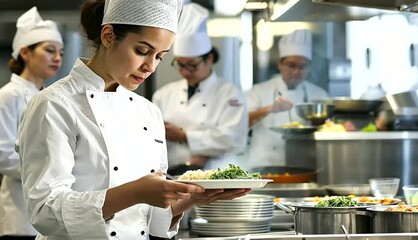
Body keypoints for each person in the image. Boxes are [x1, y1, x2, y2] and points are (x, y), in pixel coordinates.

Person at [16, 0, 250, 239]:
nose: (150, 66)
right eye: (142, 51)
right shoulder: (54, 104)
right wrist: (135, 192)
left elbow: (144, 218)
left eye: (160, 56)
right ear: (108, 36)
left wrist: (189, 201)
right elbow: (45, 211)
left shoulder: (148, 111)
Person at [152, 2, 248, 171]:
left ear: (209, 58)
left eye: (192, 65)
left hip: (217, 175)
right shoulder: (163, 94)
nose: (186, 72)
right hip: (172, 176)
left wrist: (183, 135)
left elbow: (234, 139)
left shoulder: (229, 93)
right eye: (180, 65)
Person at [0, 7, 64, 240]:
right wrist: (48, 167)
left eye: (61, 52)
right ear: (25, 53)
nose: (57, 58)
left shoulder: (50, 96)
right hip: (20, 214)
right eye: (50, 51)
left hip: (51, 212)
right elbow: (2, 155)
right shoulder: (8, 96)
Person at [245, 29, 328, 168]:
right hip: (263, 167)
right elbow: (241, 123)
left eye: (303, 66)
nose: (296, 72)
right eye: (291, 65)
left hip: (304, 166)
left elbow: (329, 129)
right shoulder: (258, 91)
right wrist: (270, 109)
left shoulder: (319, 95)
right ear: (279, 64)